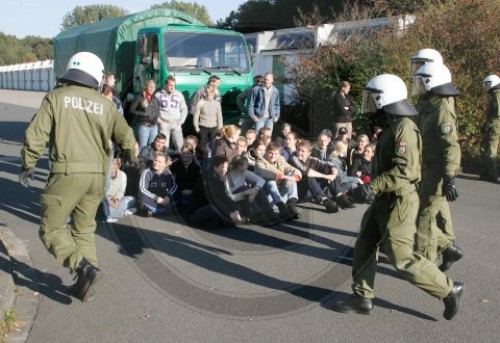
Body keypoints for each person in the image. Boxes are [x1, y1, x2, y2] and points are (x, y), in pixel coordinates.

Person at [333, 73, 463, 320]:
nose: (369, 103)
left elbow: (405, 171)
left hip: (399, 201)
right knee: (364, 244)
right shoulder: (393, 125)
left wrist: (373, 186)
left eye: (373, 98)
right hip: (385, 198)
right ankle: (362, 298)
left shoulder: (405, 128)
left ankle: (449, 290)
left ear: (385, 98)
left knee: (402, 258)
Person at [19, 52, 137, 302]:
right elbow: (127, 138)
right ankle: (85, 281)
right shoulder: (106, 104)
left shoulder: (55, 97)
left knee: (51, 229)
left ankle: (82, 268)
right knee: (84, 230)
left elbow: (35, 134)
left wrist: (28, 163)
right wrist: (128, 157)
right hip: (97, 176)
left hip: (67, 172)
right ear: (97, 76)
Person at [413, 63, 463, 271]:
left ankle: (425, 263)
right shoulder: (429, 104)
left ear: (431, 83)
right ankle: (447, 248)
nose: (419, 87)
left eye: (422, 82)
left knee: (424, 215)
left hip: (437, 169)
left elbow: (451, 145)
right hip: (427, 166)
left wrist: (449, 177)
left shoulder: (442, 109)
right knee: (432, 210)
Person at [186, 155, 245, 229]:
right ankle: (227, 221)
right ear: (215, 166)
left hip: (210, 208)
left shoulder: (220, 178)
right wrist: (229, 213)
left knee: (235, 206)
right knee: (213, 208)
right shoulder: (206, 178)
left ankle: (217, 222)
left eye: (226, 167)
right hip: (197, 210)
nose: (225, 170)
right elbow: (214, 199)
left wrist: (235, 210)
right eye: (222, 167)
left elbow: (225, 197)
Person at [288, 140, 340, 213]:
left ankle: (340, 195)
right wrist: (326, 176)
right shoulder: (293, 158)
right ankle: (325, 200)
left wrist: (333, 175)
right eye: (298, 150)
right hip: (298, 192)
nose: (299, 153)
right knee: (308, 177)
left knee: (328, 170)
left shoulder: (311, 159)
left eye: (303, 151)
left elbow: (330, 164)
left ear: (309, 153)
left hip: (309, 192)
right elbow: (307, 172)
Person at [254, 141, 302, 219]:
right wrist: (285, 177)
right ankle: (281, 207)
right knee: (271, 181)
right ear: (266, 152)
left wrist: (293, 177)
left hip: (279, 195)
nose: (273, 156)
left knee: (291, 175)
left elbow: (292, 169)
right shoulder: (260, 161)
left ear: (279, 153)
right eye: (271, 153)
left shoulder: (281, 159)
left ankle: (291, 204)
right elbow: (267, 172)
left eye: (276, 154)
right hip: (266, 197)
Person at [225, 155, 277, 223]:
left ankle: (269, 212)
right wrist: (245, 193)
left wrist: (255, 190)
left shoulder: (244, 172)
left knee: (257, 188)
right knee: (244, 188)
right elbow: (230, 197)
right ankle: (258, 214)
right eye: (246, 165)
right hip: (235, 200)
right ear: (239, 166)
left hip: (245, 196)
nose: (248, 166)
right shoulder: (228, 176)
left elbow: (261, 180)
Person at [156, 75, 188, 150]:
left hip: (176, 124)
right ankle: (164, 160)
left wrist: (181, 121)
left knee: (180, 147)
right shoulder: (158, 95)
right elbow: (153, 110)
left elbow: (184, 109)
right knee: (164, 147)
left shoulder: (179, 94)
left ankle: (180, 161)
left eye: (174, 85)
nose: (172, 87)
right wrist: (159, 121)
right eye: (170, 85)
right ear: (166, 84)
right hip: (164, 124)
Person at [102, 157, 137, 223]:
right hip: (105, 200)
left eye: (115, 164)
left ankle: (111, 214)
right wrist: (108, 200)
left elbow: (121, 190)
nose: (113, 167)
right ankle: (120, 213)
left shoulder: (123, 175)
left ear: (118, 166)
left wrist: (117, 199)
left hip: (115, 200)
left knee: (132, 199)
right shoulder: (103, 175)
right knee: (104, 203)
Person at [479, 74, 500, 183]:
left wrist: (487, 126)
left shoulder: (497, 95)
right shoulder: (495, 94)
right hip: (493, 127)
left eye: (486, 85)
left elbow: (497, 114)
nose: (484, 87)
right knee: (484, 148)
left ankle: (492, 175)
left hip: (494, 127)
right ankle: (487, 172)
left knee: (490, 151)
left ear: (491, 84)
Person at [129, 79, 160, 150]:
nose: (152, 89)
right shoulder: (139, 98)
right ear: (145, 87)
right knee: (143, 148)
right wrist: (144, 113)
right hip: (144, 127)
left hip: (154, 127)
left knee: (152, 148)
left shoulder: (155, 98)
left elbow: (157, 111)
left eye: (154, 87)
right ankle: (141, 161)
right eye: (150, 87)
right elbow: (131, 110)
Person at [193, 84, 223, 151]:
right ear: (205, 93)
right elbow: (196, 116)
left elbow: (219, 116)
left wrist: (220, 127)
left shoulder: (217, 104)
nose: (210, 96)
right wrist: (197, 128)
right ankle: (202, 157)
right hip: (203, 127)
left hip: (214, 127)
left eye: (211, 94)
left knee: (213, 144)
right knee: (202, 145)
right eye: (208, 94)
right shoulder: (200, 103)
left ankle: (212, 158)